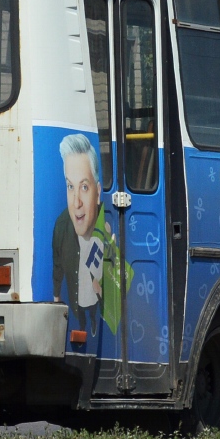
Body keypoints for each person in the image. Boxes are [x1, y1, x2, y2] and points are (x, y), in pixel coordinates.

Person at [51, 133, 131, 336]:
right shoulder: (61, 227)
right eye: (70, 187)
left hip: (97, 308)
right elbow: (58, 269)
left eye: (84, 187)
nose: (76, 202)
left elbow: (118, 296)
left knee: (94, 318)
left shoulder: (108, 229)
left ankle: (93, 325)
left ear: (97, 192)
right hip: (77, 310)